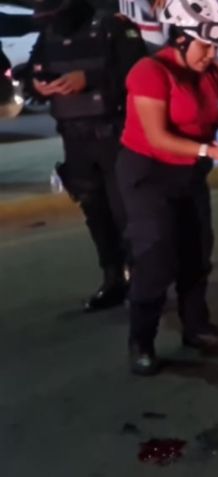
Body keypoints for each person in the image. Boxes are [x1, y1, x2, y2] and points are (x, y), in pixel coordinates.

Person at [117, 0, 218, 375]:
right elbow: (157, 137)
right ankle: (142, 340)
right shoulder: (150, 71)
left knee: (197, 251)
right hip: (149, 174)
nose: (211, 54)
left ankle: (196, 328)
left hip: (189, 174)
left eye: (215, 47)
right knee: (156, 256)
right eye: (204, 46)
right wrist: (209, 149)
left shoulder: (211, 72)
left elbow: (217, 114)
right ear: (180, 39)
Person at [28, 0, 147, 312]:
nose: (52, 21)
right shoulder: (49, 32)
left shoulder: (112, 27)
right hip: (75, 139)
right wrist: (37, 85)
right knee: (95, 213)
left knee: (126, 213)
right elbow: (34, 68)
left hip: (114, 136)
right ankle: (112, 279)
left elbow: (137, 73)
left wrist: (91, 79)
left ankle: (141, 281)